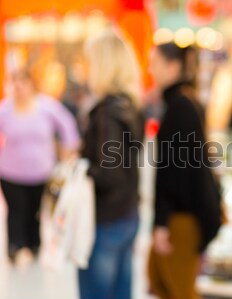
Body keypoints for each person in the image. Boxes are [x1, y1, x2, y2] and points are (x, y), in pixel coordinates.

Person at [147, 42, 222, 299]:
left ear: (173, 66)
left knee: (178, 290)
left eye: (154, 63)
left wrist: (161, 222)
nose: (150, 70)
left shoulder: (180, 106)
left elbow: (175, 172)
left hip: (181, 220)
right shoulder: (185, 102)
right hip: (183, 217)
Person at [79, 30, 144, 299]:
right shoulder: (130, 105)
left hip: (105, 218)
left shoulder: (108, 112)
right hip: (127, 213)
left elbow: (109, 172)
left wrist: (81, 168)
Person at [0, 68, 80, 265]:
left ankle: (34, 245)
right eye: (14, 82)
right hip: (11, 172)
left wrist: (69, 150)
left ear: (30, 84)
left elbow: (68, 126)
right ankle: (16, 247)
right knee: (16, 210)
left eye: (22, 82)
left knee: (35, 211)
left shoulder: (46, 107)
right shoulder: (5, 110)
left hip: (41, 172)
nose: (18, 87)